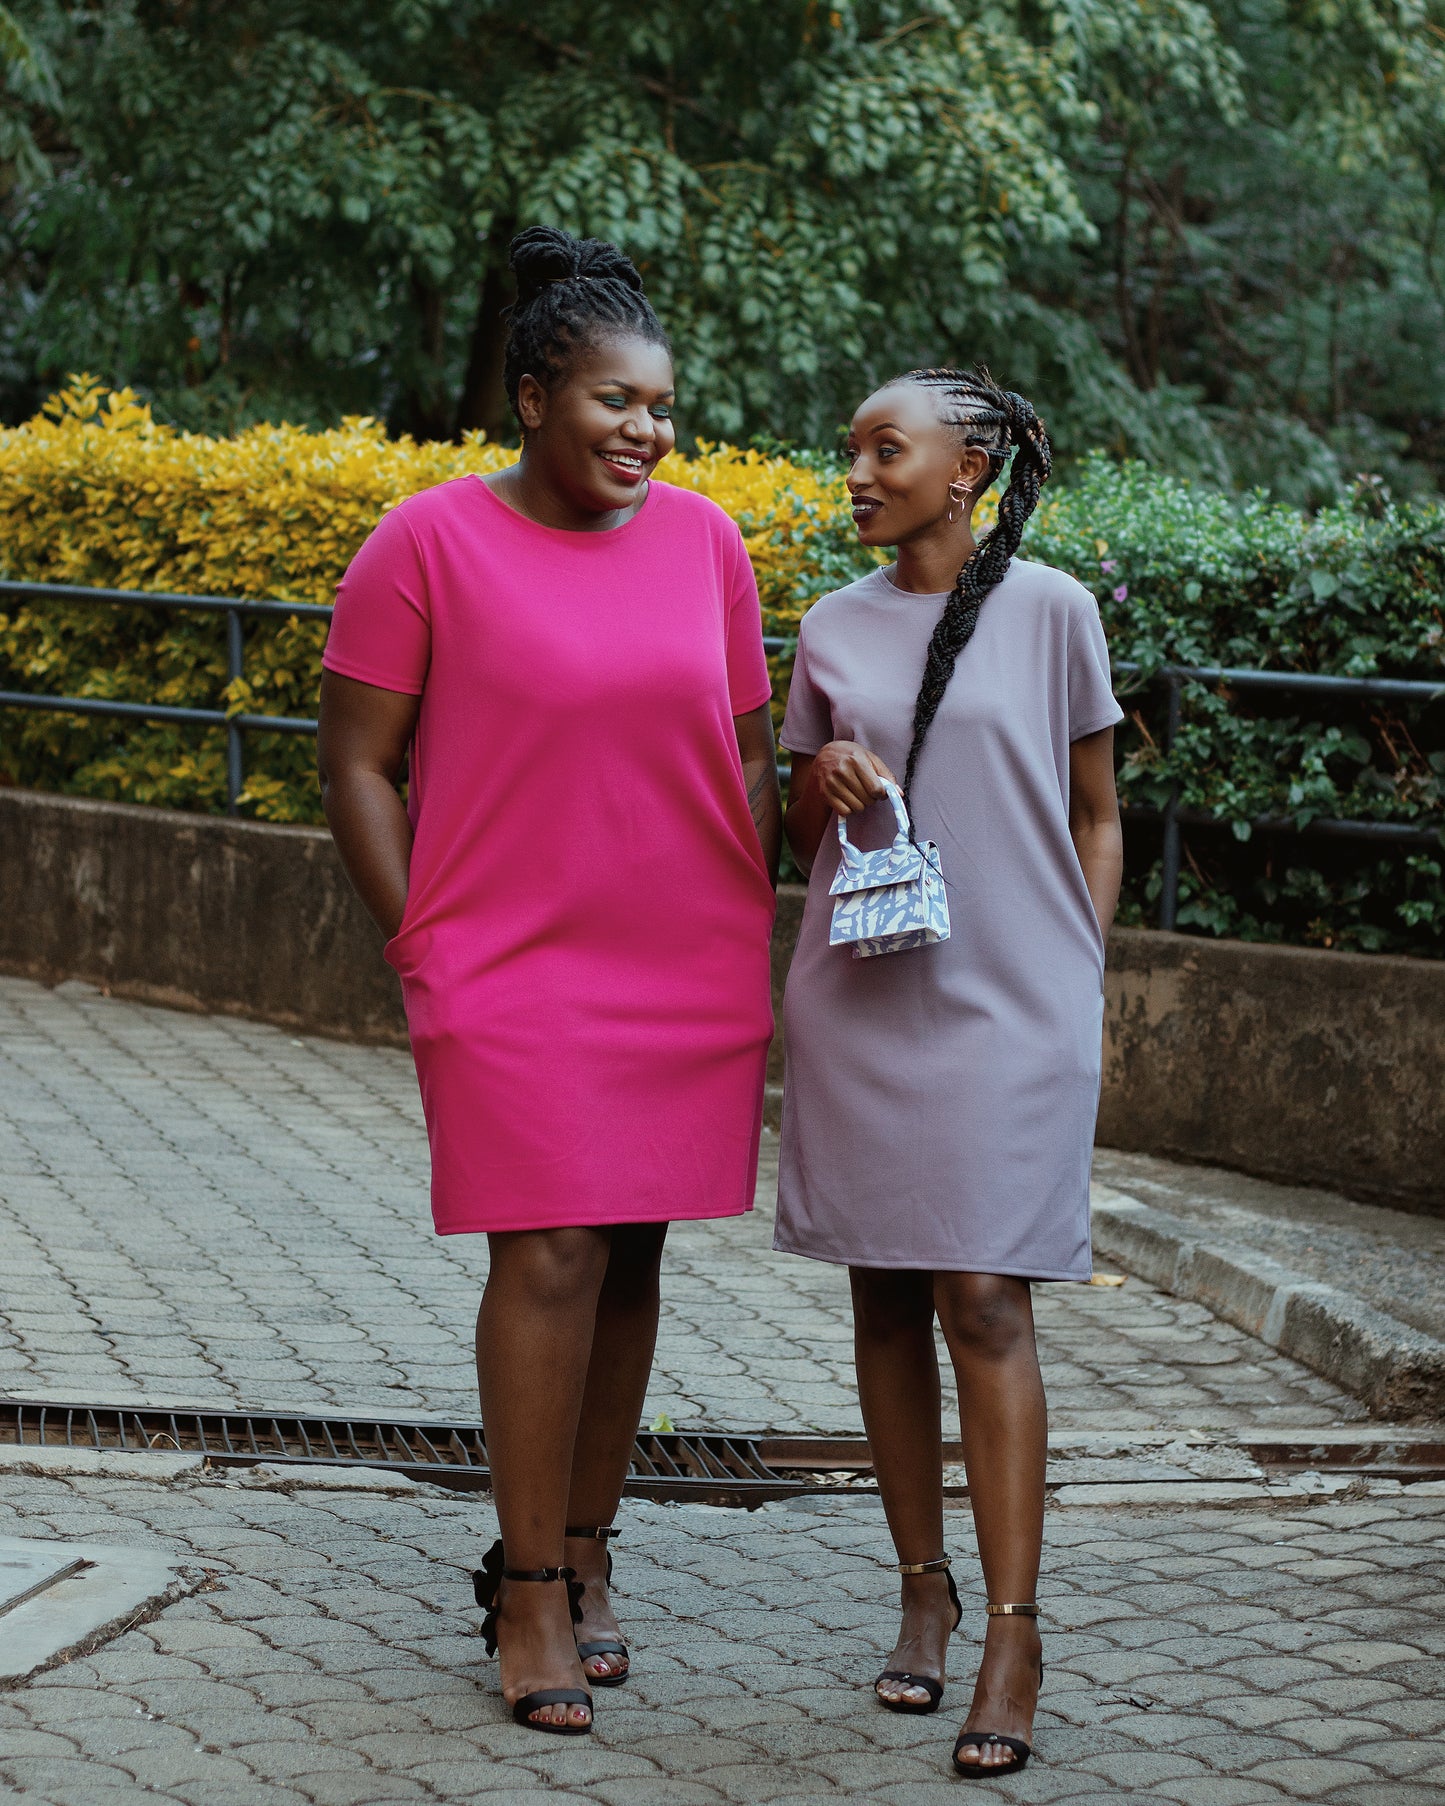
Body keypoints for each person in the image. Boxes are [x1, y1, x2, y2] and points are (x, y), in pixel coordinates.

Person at [317, 226, 779, 1736]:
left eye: (660, 407)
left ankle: (589, 1554)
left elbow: (749, 745)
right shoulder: (424, 543)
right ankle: (521, 1585)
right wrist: (424, 936)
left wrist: (756, 892)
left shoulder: (708, 541)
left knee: (631, 1252)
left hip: (680, 954)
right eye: (612, 402)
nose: (645, 431)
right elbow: (359, 767)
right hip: (505, 961)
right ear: (531, 397)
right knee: (550, 1252)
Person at [776, 366, 1123, 1778]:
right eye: (849, 450)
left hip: (1011, 1012)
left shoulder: (1052, 612)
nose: (854, 472)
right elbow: (793, 825)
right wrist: (829, 776)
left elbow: (1097, 812)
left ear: (968, 465)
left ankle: (1012, 1630)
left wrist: (1073, 969)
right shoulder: (828, 625)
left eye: (883, 448)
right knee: (881, 1287)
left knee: (981, 1295)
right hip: (864, 1000)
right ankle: (921, 1588)